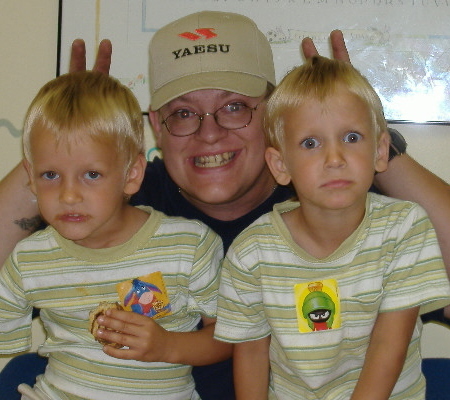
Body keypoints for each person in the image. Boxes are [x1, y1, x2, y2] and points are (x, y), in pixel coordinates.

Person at [0, 10, 449, 400]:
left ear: (273, 113)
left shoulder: (334, 204)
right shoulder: (118, 200)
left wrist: (362, 126)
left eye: (234, 107)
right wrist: (69, 135)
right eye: (182, 113)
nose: (209, 133)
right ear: (155, 124)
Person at [214, 56, 450, 400]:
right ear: (280, 165)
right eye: (311, 144)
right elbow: (251, 352)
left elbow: (389, 346)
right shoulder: (252, 252)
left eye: (352, 137)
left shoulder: (405, 228)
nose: (335, 158)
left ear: (381, 151)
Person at [0, 70, 228, 399]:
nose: (68, 195)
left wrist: (167, 345)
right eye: (50, 174)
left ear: (132, 175)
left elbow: (229, 337)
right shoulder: (29, 259)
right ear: (30, 180)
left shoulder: (188, 246)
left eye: (91, 174)